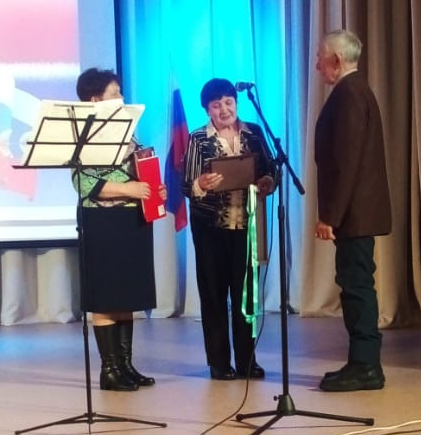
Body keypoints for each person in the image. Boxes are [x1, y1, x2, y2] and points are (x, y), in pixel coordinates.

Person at [73, 67, 167, 392]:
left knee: (127, 293)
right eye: (115, 94)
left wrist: (154, 188)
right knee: (105, 296)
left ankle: (126, 365)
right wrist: (129, 189)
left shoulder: (127, 132)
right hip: (102, 221)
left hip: (133, 219)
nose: (122, 99)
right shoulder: (83, 135)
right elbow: (83, 183)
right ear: (95, 100)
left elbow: (140, 169)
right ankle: (109, 370)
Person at [182, 77, 276, 380]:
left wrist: (267, 182)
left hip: (246, 226)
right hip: (210, 228)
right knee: (213, 294)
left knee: (246, 297)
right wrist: (201, 183)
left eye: (228, 102)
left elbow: (270, 169)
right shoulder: (198, 138)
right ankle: (219, 363)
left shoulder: (254, 132)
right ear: (207, 110)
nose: (224, 109)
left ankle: (248, 360)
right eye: (216, 105)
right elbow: (186, 185)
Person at [314, 30, 392, 392]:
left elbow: (346, 162)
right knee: (355, 284)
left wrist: (330, 216)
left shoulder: (349, 94)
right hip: (357, 211)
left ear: (336, 60)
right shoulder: (355, 90)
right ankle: (361, 362)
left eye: (320, 58)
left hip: (354, 213)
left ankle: (366, 366)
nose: (317, 66)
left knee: (357, 286)